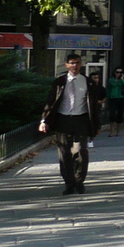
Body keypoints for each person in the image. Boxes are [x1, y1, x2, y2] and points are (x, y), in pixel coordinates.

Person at [39, 53, 102, 195]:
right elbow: (50, 102)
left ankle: (79, 181)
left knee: (80, 151)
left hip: (81, 120)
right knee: (64, 153)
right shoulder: (60, 82)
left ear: (81, 64)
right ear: (66, 64)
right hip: (63, 120)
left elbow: (94, 106)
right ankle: (69, 183)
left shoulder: (88, 82)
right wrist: (44, 120)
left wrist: (97, 126)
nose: (75, 66)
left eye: (78, 63)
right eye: (72, 63)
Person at [104, 67, 124, 139]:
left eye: (120, 72)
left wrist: (122, 79)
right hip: (113, 98)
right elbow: (108, 89)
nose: (118, 74)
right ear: (114, 72)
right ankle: (111, 130)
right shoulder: (111, 80)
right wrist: (107, 98)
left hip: (121, 98)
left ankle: (118, 130)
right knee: (112, 114)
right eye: (117, 72)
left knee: (120, 114)